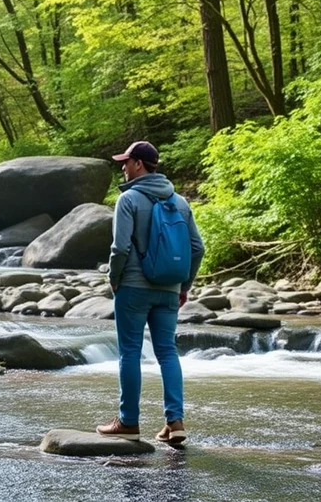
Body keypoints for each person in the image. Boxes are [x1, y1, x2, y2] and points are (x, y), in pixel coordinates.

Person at [97, 141, 204, 445]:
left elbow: (120, 247)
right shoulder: (180, 202)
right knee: (168, 353)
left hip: (133, 287)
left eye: (126, 161)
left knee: (130, 353)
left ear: (139, 164)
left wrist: (113, 279)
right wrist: (184, 286)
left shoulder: (129, 199)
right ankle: (175, 422)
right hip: (169, 289)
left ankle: (128, 422)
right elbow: (198, 248)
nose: (123, 166)